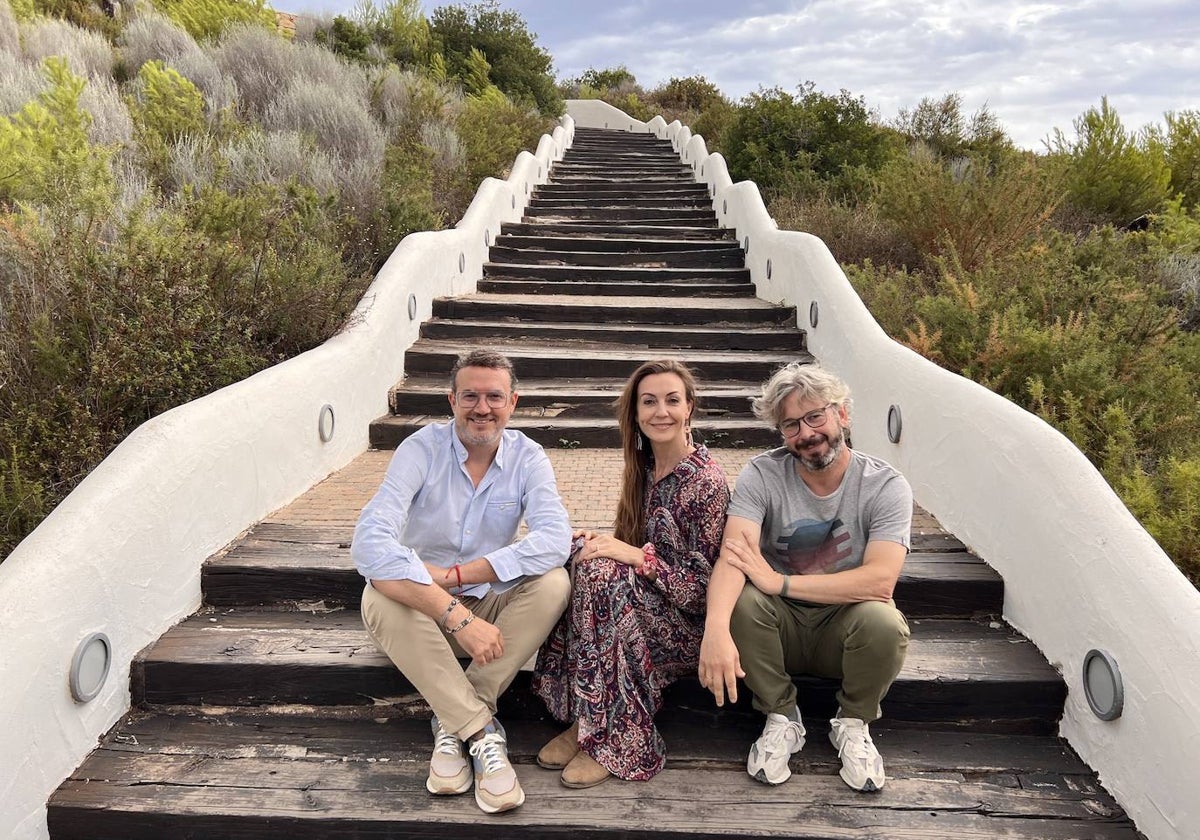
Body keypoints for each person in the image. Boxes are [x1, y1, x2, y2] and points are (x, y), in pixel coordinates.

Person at [351, 349, 572, 814]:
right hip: (421, 610)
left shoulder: (528, 457)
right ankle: (479, 730)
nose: (482, 407)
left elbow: (555, 541)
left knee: (554, 582)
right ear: (452, 400)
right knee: (379, 594)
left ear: (513, 402)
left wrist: (459, 576)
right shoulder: (420, 449)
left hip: (486, 609)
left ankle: (452, 721)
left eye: (494, 396)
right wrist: (450, 609)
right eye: (470, 395)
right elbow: (369, 544)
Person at [698, 363, 912, 793]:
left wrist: (781, 583)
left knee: (885, 622)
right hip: (777, 634)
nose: (806, 433)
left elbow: (879, 583)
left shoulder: (885, 486)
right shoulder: (763, 474)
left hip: (845, 630)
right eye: (791, 424)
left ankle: (852, 722)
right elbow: (734, 557)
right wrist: (715, 629)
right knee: (741, 603)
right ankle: (782, 716)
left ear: (842, 415)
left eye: (816, 416)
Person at [532, 359, 731, 789]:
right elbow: (633, 551)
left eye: (672, 400)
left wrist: (636, 557)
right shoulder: (644, 469)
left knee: (605, 574)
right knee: (584, 556)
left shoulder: (706, 482)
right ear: (636, 413)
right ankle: (590, 720)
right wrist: (601, 541)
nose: (661, 411)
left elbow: (701, 592)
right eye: (649, 402)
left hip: (690, 628)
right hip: (645, 608)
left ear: (689, 408)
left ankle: (620, 739)